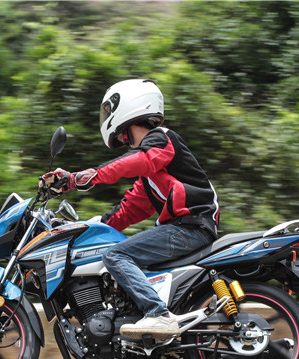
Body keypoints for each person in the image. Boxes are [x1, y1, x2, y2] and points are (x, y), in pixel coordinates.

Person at [42, 79, 219, 340]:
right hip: (183, 228)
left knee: (116, 256)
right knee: (115, 252)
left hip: (191, 227)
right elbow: (127, 211)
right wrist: (83, 228)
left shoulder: (162, 139)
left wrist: (78, 178)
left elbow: (137, 161)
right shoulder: (151, 176)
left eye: (108, 109)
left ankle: (158, 315)